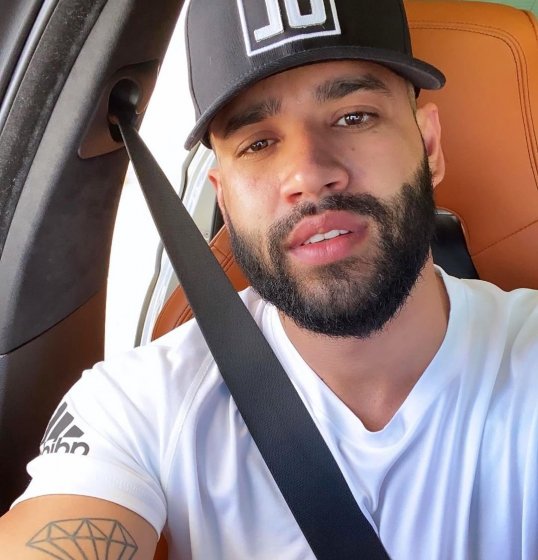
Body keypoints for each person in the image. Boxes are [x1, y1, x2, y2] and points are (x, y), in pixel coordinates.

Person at [1, 0, 537, 558]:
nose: (308, 174)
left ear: (429, 146)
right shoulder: (139, 405)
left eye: (354, 117)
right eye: (257, 143)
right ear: (225, 200)